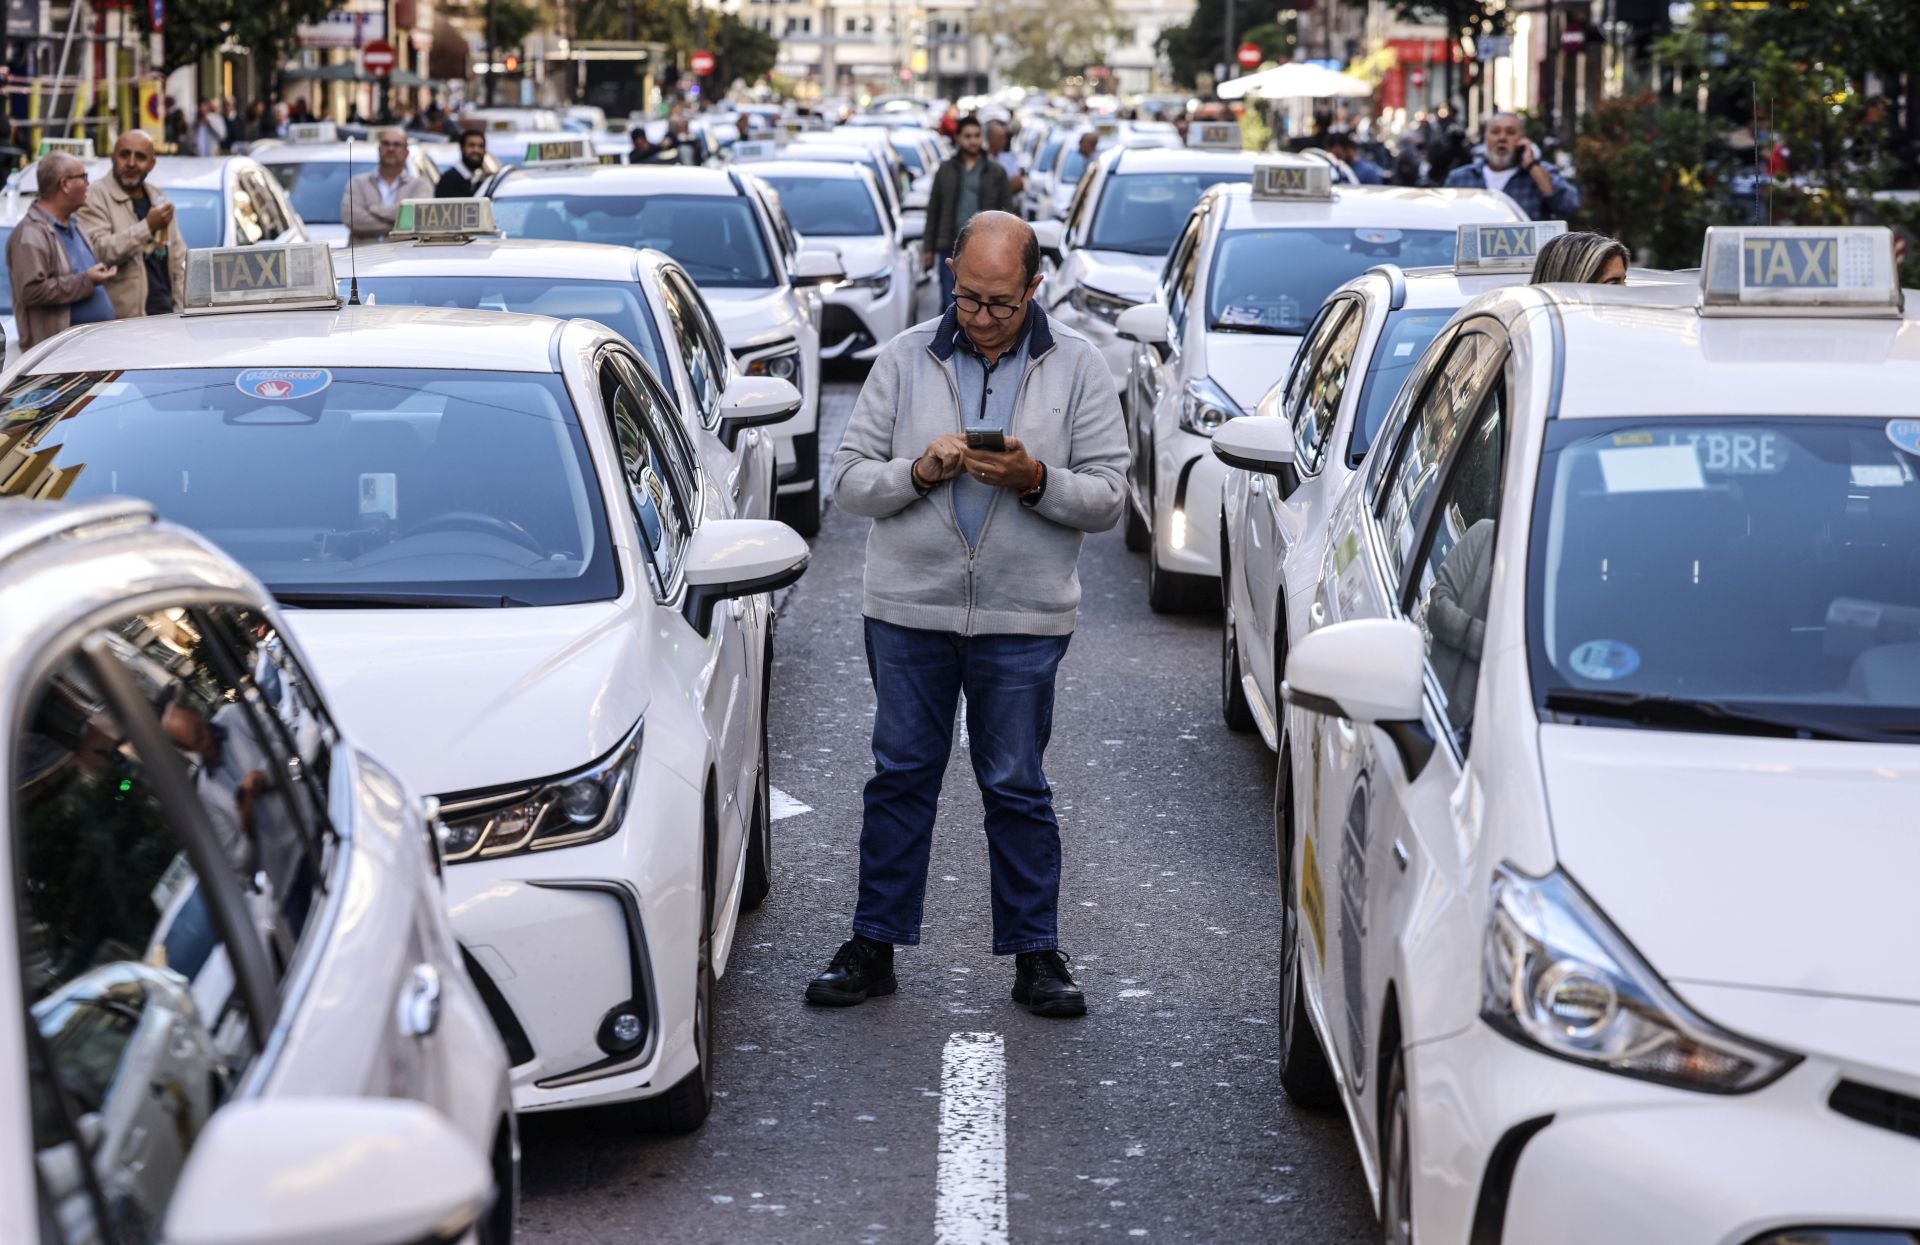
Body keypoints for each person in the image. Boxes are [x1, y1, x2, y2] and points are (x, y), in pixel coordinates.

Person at [811, 211, 1129, 1019]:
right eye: (968, 299)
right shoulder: (905, 355)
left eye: (1000, 304)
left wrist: (1033, 478)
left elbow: (1108, 498)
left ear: (1034, 288)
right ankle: (872, 945)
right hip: (908, 609)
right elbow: (847, 482)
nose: (981, 318)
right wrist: (919, 469)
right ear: (951, 280)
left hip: (1024, 618)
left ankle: (1036, 954)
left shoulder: (1081, 367)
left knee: (1017, 785)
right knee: (902, 776)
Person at [8, 155, 116, 351]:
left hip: (92, 352)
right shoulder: (31, 234)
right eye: (83, 177)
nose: (88, 184)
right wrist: (87, 280)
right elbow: (31, 291)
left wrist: (94, 276)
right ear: (65, 184)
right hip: (60, 360)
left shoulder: (74, 223)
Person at [76, 130, 188, 320]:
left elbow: (178, 261)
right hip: (125, 325)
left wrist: (183, 311)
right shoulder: (94, 196)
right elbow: (99, 252)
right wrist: (147, 227)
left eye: (140, 157)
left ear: (152, 164)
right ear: (112, 158)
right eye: (124, 154)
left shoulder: (157, 197)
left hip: (168, 319)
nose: (131, 163)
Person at [922, 115, 1012, 312]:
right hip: (950, 248)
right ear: (958, 138)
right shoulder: (946, 169)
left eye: (977, 135)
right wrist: (928, 248)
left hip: (986, 250)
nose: (973, 140)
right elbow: (934, 209)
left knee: (979, 305)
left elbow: (1008, 214)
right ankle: (949, 342)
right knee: (950, 303)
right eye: (968, 136)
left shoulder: (995, 171)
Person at [1444, 112, 1579, 220]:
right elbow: (1446, 220)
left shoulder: (1540, 173)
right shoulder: (1460, 178)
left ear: (1522, 139)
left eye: (1510, 132)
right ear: (1485, 138)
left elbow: (1567, 207)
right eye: (1495, 132)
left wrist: (1532, 165)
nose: (1502, 138)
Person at [340, 128, 433, 244]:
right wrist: (400, 226)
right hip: (362, 259)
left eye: (397, 144)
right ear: (379, 149)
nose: (391, 148)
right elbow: (352, 219)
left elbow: (418, 219)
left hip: (405, 259)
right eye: (386, 143)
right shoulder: (357, 183)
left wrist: (374, 209)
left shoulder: (420, 185)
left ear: (406, 152)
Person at [436, 129, 492, 197]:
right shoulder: (448, 181)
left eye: (481, 146)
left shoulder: (483, 181)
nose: (476, 150)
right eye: (471, 145)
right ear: (462, 148)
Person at [987, 119, 1024, 196]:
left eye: (1005, 138)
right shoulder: (983, 159)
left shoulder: (1007, 157)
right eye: (1001, 138)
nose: (1004, 141)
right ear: (991, 138)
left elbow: (1018, 183)